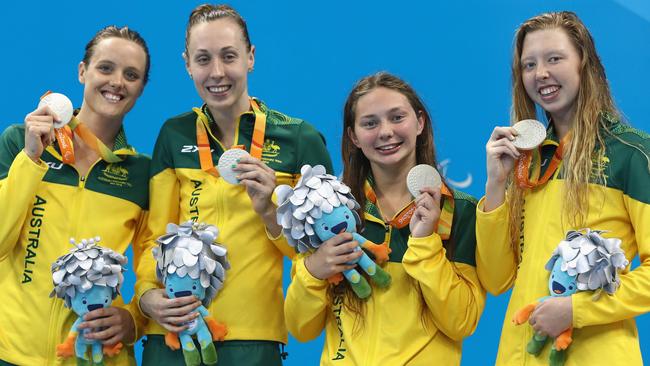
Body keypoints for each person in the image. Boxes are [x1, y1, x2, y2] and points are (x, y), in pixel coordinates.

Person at [135, 4, 333, 365]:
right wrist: (147, 296)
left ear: (251, 57)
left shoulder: (299, 138)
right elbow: (154, 236)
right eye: (203, 59)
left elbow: (320, 253)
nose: (217, 72)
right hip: (173, 332)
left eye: (229, 56)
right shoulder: (173, 133)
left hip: (252, 338)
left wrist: (270, 211)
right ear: (187, 64)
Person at [478, 11, 650, 365]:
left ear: (584, 61)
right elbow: (496, 279)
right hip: (519, 353)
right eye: (529, 64)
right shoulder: (528, 160)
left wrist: (576, 309)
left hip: (594, 354)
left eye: (554, 58)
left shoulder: (631, 154)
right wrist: (496, 184)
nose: (541, 73)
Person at [284, 72, 485, 365]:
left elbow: (461, 322)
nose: (385, 131)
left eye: (397, 117)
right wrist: (313, 271)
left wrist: (425, 242)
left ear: (420, 122)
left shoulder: (461, 212)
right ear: (353, 136)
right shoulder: (331, 210)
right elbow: (301, 327)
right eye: (370, 123)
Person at [0, 25, 151, 365]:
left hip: (98, 358)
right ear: (82, 71)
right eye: (106, 67)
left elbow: (153, 273)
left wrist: (133, 321)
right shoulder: (20, 143)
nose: (117, 82)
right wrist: (31, 160)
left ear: (141, 88)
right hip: (13, 356)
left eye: (131, 75)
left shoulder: (143, 175)